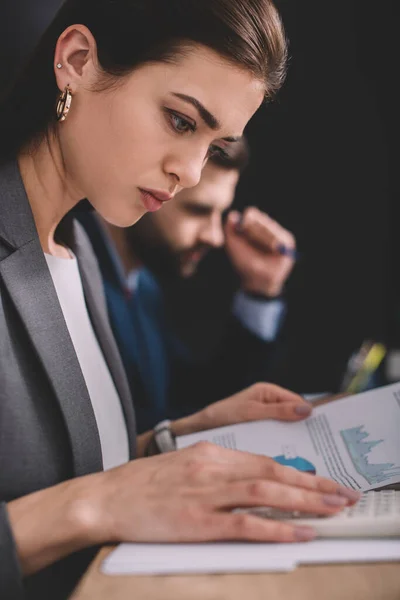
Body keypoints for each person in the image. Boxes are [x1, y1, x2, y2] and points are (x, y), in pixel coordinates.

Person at [0, 1, 360, 598]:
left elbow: (54, 464)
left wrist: (179, 439)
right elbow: (82, 494)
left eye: (216, 146)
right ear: (78, 61)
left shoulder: (81, 249)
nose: (192, 172)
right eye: (180, 120)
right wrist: (91, 505)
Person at [79, 137, 297, 431]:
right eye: (198, 210)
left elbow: (192, 400)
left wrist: (261, 290)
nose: (215, 236)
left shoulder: (143, 284)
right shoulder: (69, 277)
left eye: (220, 213)